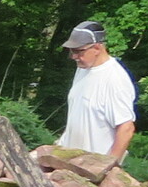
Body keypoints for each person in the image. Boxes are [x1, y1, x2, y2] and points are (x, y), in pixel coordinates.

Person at [58, 20, 136, 167]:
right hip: (70, 162)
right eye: (72, 51)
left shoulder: (115, 79)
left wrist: (107, 167)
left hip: (93, 167)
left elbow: (126, 128)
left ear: (97, 48)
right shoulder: (82, 69)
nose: (73, 56)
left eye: (78, 51)